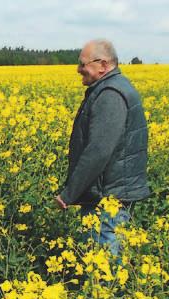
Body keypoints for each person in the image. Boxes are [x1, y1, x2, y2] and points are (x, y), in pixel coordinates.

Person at [55, 39, 150, 256]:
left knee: (104, 259)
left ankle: (107, 291)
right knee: (105, 255)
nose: (78, 70)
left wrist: (69, 193)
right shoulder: (112, 88)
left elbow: (98, 150)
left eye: (83, 64)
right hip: (109, 189)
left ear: (103, 65)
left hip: (107, 194)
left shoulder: (110, 95)